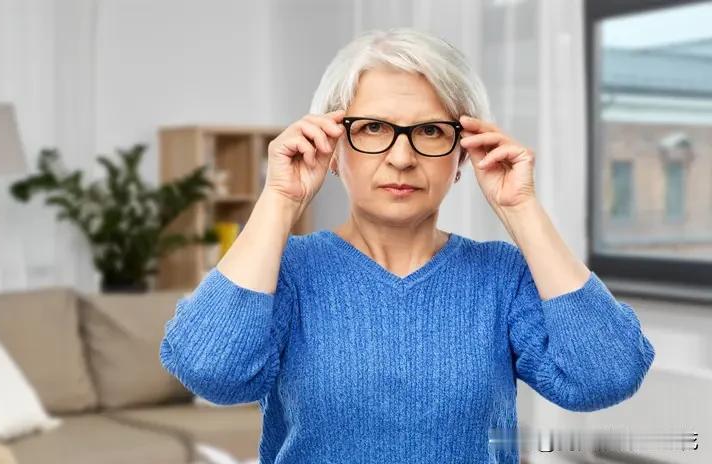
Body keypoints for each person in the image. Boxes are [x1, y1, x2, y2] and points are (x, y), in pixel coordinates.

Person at [160, 28, 655, 463]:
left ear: (463, 154)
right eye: (373, 128)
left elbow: (606, 377)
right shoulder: (285, 271)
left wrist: (521, 209)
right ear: (332, 147)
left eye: (431, 131)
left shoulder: (501, 276)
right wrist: (279, 198)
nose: (401, 157)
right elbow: (212, 374)